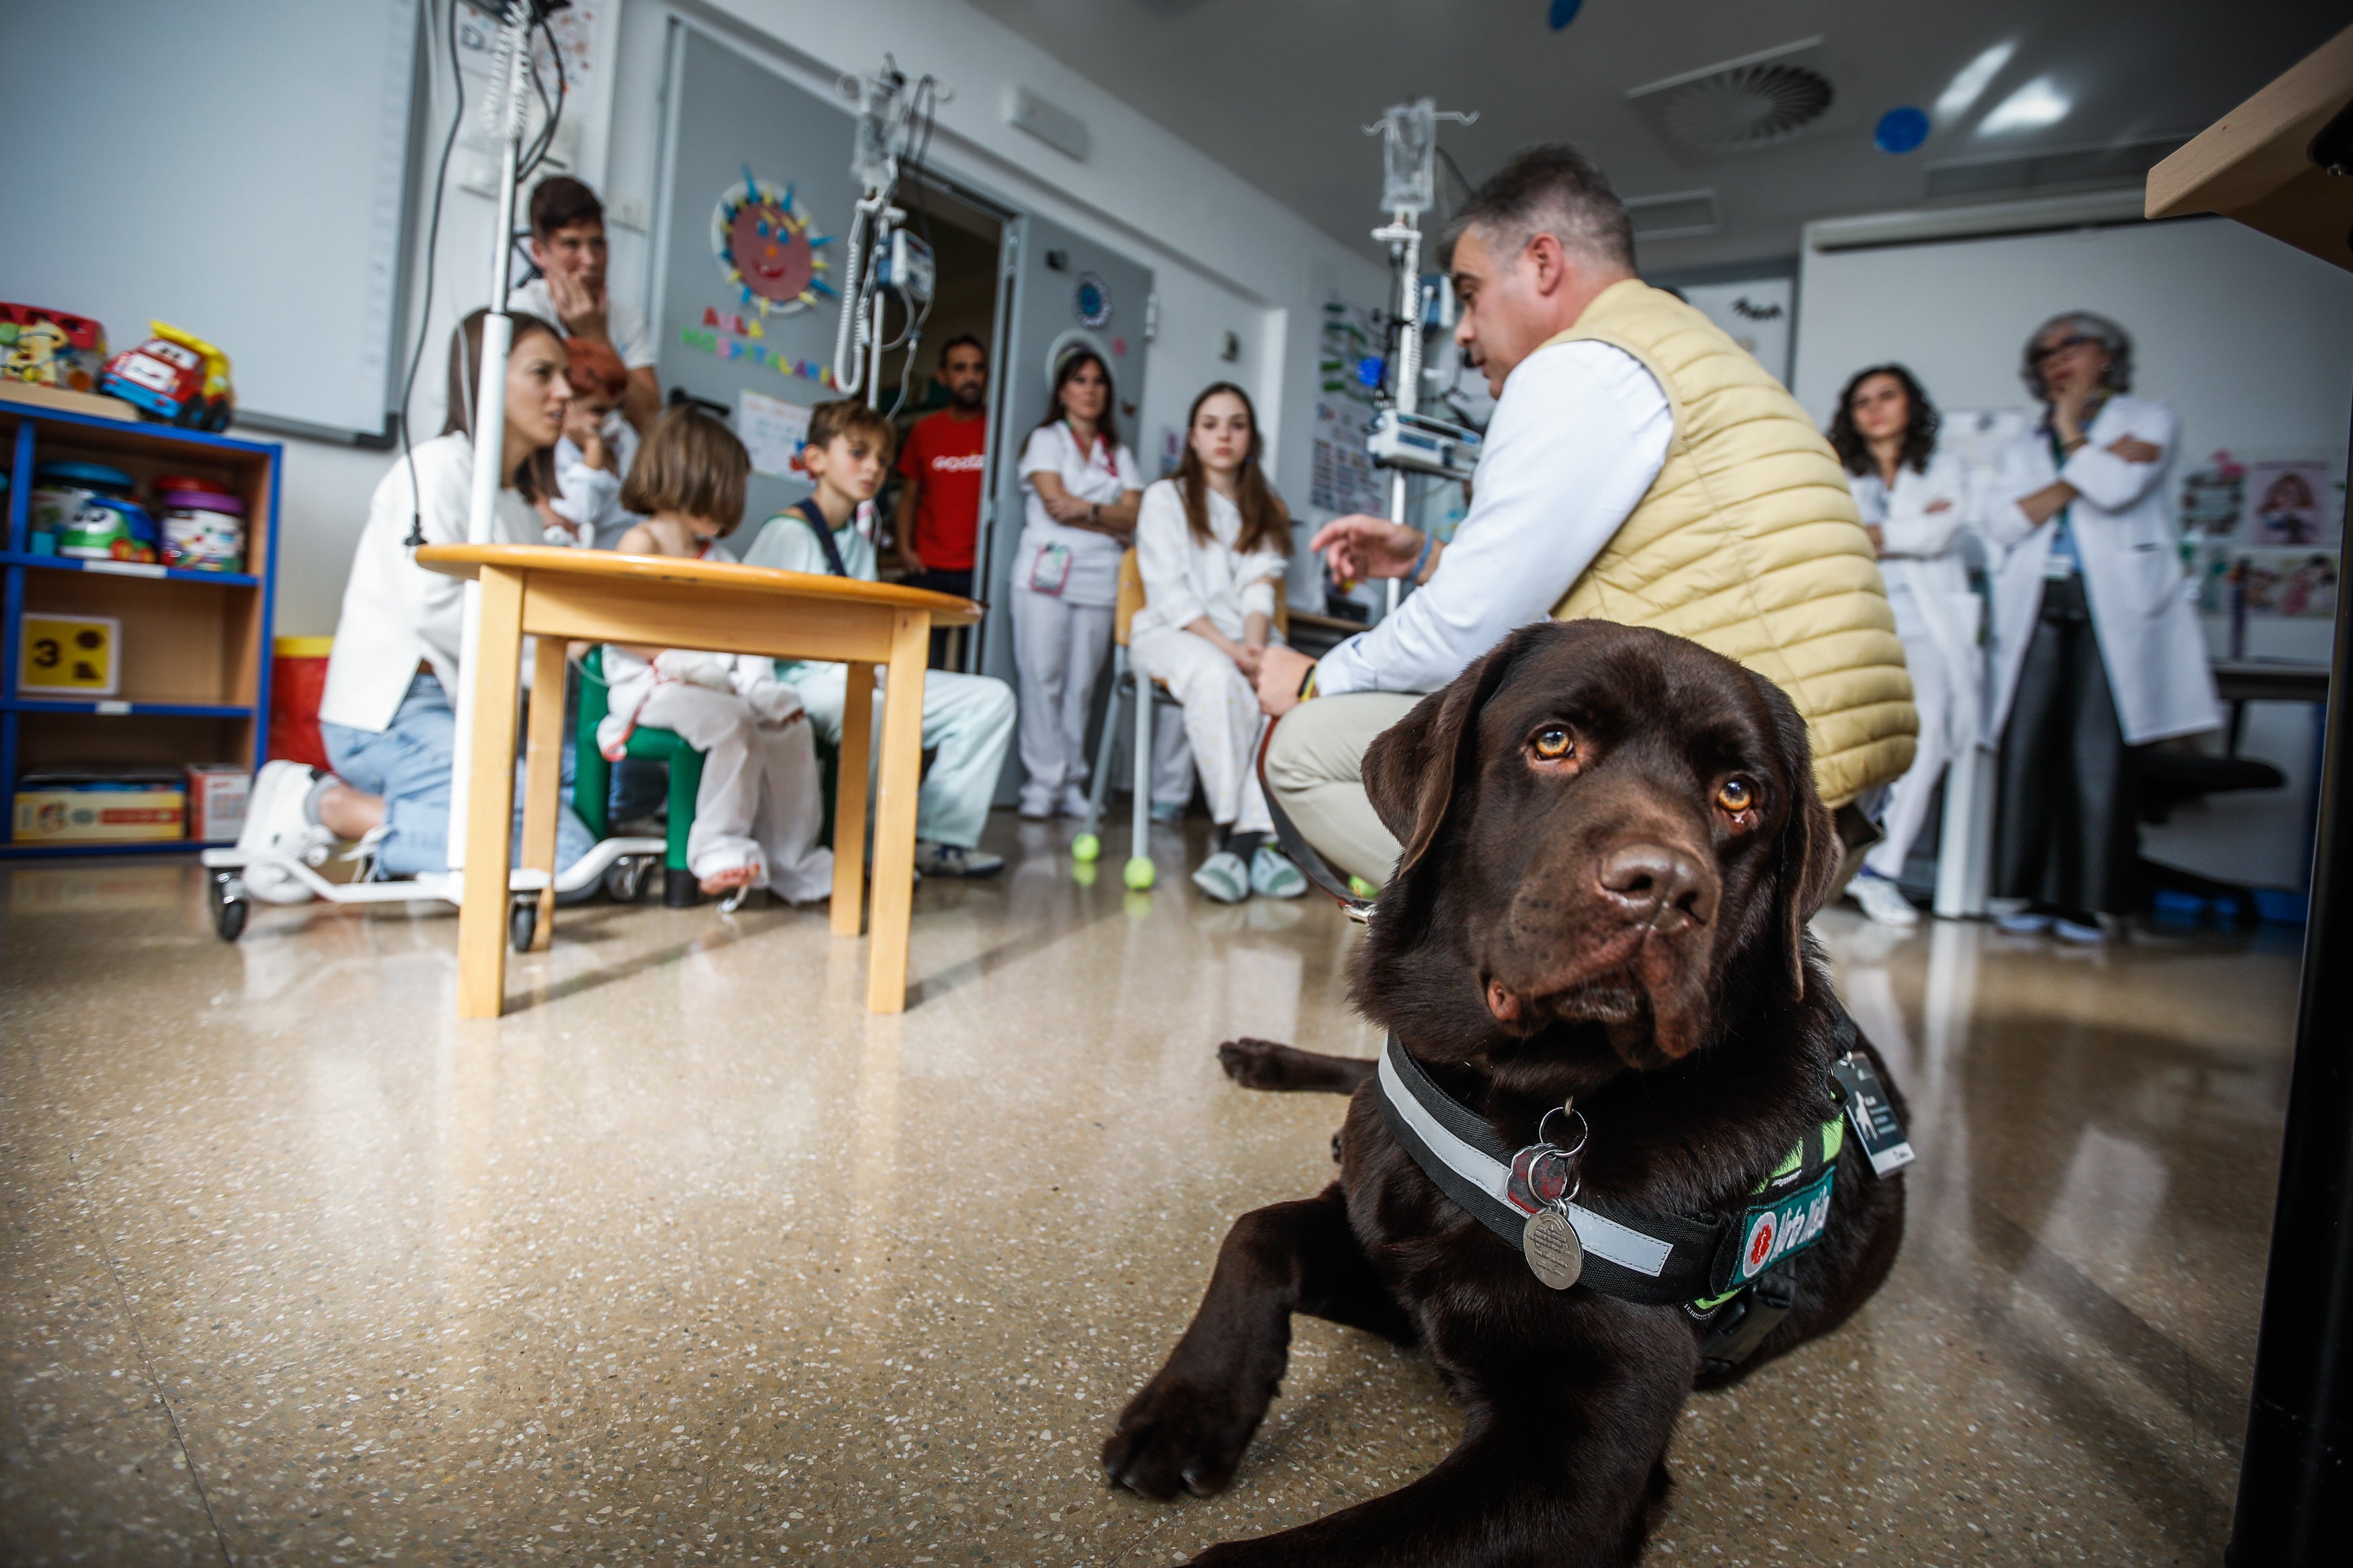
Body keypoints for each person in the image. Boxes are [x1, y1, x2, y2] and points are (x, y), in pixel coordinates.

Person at [1251, 144, 1915, 889]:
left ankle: (1530, 963)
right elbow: (1631, 567)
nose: (1463, 333)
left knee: (1304, 750)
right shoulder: (1687, 351)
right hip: (1827, 790)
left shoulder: (1582, 365)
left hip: (1736, 805)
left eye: (1469, 294)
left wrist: (1313, 677)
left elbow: (1467, 629)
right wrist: (1422, 558)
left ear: (1541, 262)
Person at [241, 309, 597, 898]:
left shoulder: (513, 503)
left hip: (474, 709)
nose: (564, 392)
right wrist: (555, 651)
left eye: (565, 376)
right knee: (564, 858)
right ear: (483, 377)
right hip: (397, 712)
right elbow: (437, 612)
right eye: (543, 373)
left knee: (605, 789)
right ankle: (325, 804)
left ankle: (414, 825)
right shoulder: (437, 471)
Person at [1983, 312, 2218, 942]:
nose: (2055, 358)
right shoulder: (2021, 445)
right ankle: (2018, 892)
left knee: (2095, 754)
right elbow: (2003, 523)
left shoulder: (2148, 420)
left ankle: (2089, 903)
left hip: (2113, 606)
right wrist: (2085, 464)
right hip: (2038, 600)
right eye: (2043, 352)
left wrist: (2071, 434)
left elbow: (2115, 492)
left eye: (2071, 344)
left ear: (2108, 355)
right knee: (2025, 747)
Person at [742, 399, 1018, 878]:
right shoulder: (788, 533)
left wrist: (877, 670)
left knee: (990, 699)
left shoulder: (857, 542)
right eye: (858, 452)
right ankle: (864, 843)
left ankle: (939, 837)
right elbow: (750, 633)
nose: (874, 467)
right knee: (870, 708)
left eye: (883, 459)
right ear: (815, 460)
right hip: (798, 678)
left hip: (859, 671)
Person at [596, 408, 832, 903]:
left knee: (791, 727)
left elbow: (744, 631)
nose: (732, 507)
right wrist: (683, 660)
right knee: (733, 725)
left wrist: (761, 684)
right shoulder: (641, 542)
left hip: (722, 686)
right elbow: (618, 628)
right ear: (692, 477)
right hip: (651, 688)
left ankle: (794, 862)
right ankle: (717, 848)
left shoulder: (721, 559)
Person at [1131, 384, 1309, 903]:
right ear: (1193, 437)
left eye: (1236, 424)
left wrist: (1253, 652)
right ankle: (1248, 838)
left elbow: (1260, 589)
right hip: (1172, 632)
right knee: (1216, 676)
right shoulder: (1165, 498)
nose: (1223, 435)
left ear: (1251, 437)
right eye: (1210, 424)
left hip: (1246, 638)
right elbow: (1171, 594)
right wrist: (1233, 654)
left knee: (1286, 689)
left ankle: (1242, 847)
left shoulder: (1267, 510)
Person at [1827, 365, 1981, 929]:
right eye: (1863, 400)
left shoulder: (1945, 467)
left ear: (1911, 404)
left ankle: (1879, 871)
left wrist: (1880, 534)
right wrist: (1908, 530)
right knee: (1841, 737)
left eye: (1887, 396)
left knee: (1929, 734)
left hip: (1927, 626)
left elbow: (1944, 531)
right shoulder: (1837, 470)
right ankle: (1826, 862)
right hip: (1856, 620)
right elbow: (1832, 533)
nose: (1875, 409)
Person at [1012, 349, 1144, 819]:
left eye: (1097, 381)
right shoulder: (1046, 440)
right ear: (1063, 390)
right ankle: (1042, 782)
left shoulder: (1118, 454)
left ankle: (1070, 781)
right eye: (1079, 380)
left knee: (1081, 686)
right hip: (1045, 576)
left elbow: (1133, 518)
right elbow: (1054, 505)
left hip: (1097, 581)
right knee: (1042, 677)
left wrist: (1085, 509)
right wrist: (1107, 517)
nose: (1089, 389)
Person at [508, 176, 660, 434]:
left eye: (597, 244)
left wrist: (596, 336)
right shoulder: (524, 310)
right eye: (571, 245)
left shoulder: (627, 318)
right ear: (539, 253)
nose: (590, 260)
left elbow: (650, 419)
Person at [543, 336, 639, 550]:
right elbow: (579, 512)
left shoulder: (623, 436)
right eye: (598, 411)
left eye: (619, 408)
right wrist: (593, 447)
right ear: (565, 401)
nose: (613, 420)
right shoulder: (554, 453)